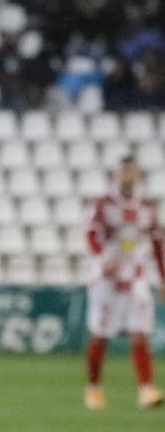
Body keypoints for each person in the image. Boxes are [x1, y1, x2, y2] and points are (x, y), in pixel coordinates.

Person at [83, 155, 164, 410]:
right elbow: (90, 234)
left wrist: (163, 277)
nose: (127, 176)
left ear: (138, 175)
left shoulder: (147, 208)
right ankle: (94, 389)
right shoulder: (103, 205)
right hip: (107, 280)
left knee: (139, 333)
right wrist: (103, 257)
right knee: (100, 334)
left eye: (131, 171)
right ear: (114, 176)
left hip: (135, 277)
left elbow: (157, 243)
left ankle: (146, 390)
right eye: (122, 172)